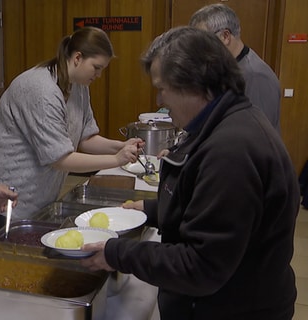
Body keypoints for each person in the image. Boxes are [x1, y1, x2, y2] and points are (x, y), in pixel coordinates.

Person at [80, 26, 300, 320]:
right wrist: (151, 209)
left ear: (194, 84)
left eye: (162, 88)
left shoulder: (231, 151)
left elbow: (200, 266)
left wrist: (116, 253)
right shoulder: (228, 123)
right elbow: (209, 207)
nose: (159, 100)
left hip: (236, 308)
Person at [0, 27, 142, 230]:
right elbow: (59, 159)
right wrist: (116, 159)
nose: (99, 75)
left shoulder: (79, 86)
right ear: (77, 57)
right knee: (19, 251)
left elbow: (85, 139)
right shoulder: (42, 90)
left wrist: (120, 146)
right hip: (11, 190)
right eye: (96, 67)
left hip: (40, 190)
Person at [189, 3, 281, 132]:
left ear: (225, 37)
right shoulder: (224, 68)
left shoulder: (256, 76)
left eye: (203, 41)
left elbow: (257, 135)